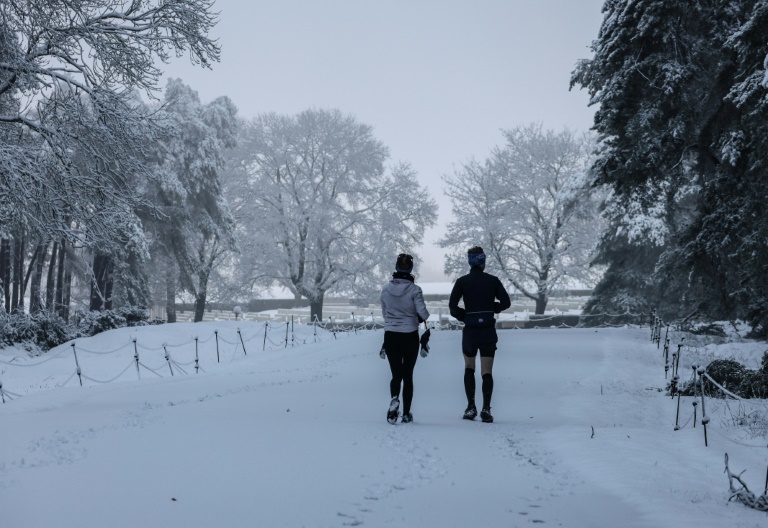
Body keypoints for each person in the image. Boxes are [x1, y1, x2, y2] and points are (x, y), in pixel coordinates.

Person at [448, 246, 511, 423]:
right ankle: (486, 409)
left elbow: (453, 307)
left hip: (470, 331)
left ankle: (470, 407)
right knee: (487, 371)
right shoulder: (493, 281)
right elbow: (506, 302)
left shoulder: (462, 282)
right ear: (483, 261)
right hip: (488, 331)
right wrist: (493, 308)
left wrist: (465, 316)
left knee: (469, 367)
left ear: (470, 261)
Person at [380, 253, 430, 424]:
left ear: (396, 268)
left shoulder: (386, 289)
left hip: (391, 335)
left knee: (396, 375)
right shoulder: (415, 290)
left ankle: (394, 398)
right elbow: (423, 313)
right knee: (408, 375)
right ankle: (407, 414)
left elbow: (385, 313)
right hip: (409, 335)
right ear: (410, 269)